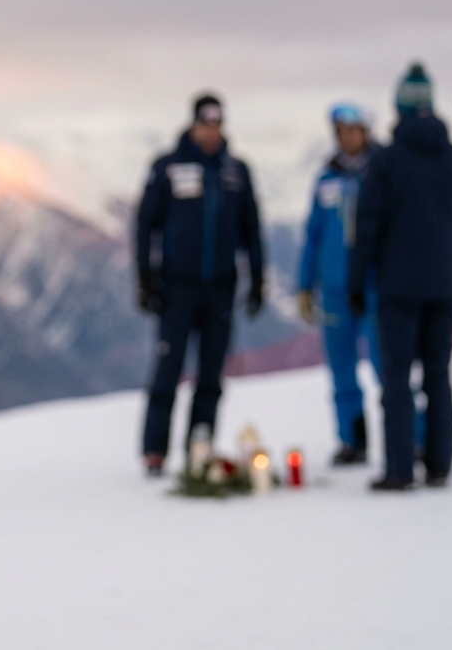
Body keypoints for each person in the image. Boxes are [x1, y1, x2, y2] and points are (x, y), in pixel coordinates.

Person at [349, 62, 452, 491]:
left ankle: (399, 468)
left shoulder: (386, 162)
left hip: (399, 287)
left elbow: (367, 226)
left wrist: (357, 281)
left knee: (396, 377)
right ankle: (441, 463)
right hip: (446, 284)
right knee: (438, 375)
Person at [135, 94, 265, 477]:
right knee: (168, 369)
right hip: (177, 287)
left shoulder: (235, 172)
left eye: (216, 125)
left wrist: (258, 279)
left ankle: (199, 449)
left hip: (221, 288)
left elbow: (252, 230)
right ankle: (155, 451)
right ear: (193, 125)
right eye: (204, 124)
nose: (210, 132)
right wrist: (145, 277)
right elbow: (146, 223)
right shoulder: (168, 168)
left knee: (211, 375)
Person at [297, 102, 382, 465]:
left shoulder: (382, 173)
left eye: (353, 130)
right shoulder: (326, 179)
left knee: (386, 367)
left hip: (376, 287)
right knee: (342, 371)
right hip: (334, 289)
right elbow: (313, 234)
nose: (347, 137)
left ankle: (413, 436)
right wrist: (305, 284)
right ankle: (353, 440)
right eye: (341, 131)